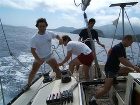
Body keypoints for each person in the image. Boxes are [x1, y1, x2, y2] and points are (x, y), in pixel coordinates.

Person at [90, 35, 140, 105]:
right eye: (131, 43)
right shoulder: (118, 47)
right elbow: (122, 60)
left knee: (128, 70)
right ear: (126, 39)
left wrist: (132, 67)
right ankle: (93, 99)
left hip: (115, 68)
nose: (130, 45)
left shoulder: (122, 47)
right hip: (111, 70)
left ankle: (114, 79)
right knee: (106, 89)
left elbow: (124, 59)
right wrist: (134, 67)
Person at [26, 18, 62, 89]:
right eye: (40, 26)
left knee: (57, 69)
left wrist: (60, 39)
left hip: (49, 55)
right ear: (37, 27)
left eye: (43, 26)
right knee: (33, 71)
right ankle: (28, 85)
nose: (42, 28)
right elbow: (33, 50)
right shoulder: (34, 38)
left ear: (46, 26)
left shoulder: (49, 33)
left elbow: (57, 36)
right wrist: (38, 59)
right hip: (39, 57)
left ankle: (59, 83)